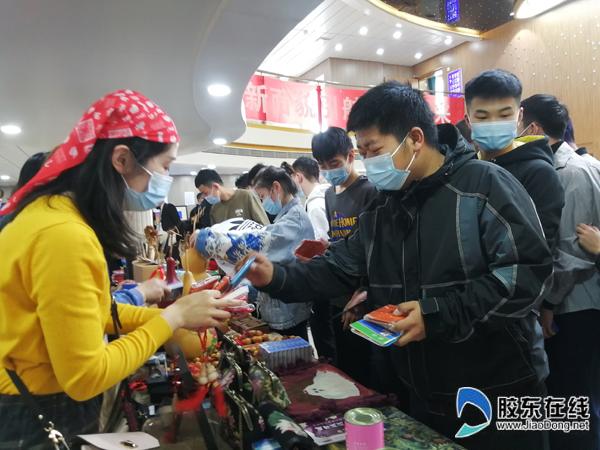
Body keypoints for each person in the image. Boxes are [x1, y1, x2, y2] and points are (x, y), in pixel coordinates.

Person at [244, 82, 553, 450]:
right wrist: (275, 276)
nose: (369, 162)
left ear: (415, 138)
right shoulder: (383, 208)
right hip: (421, 390)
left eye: (374, 150)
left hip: (498, 389)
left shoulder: (484, 185)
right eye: (362, 152)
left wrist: (436, 314)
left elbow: (526, 275)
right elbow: (338, 267)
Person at [0, 90, 242, 448]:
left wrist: (180, 316)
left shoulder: (52, 217)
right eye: (165, 166)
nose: (164, 180)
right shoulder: (63, 235)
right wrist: (172, 318)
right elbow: (85, 376)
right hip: (34, 412)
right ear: (122, 159)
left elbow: (97, 313)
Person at [521, 93, 600, 450]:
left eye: (516, 121)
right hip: (570, 300)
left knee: (572, 399)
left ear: (534, 129)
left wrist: (548, 305)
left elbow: (571, 253)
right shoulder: (566, 166)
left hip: (575, 304)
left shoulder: (569, 172)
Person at [195, 166, 314, 338]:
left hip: (288, 309)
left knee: (291, 351)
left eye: (262, 196)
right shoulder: (286, 215)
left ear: (276, 188)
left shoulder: (294, 220)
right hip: (280, 304)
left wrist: (208, 240)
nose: (262, 201)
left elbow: (257, 244)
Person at [310, 127, 377, 385]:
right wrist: (324, 248)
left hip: (362, 298)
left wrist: (362, 294)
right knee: (344, 367)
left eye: (334, 163)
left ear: (351, 156)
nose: (329, 170)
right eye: (322, 165)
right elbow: (338, 242)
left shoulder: (369, 191)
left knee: (365, 371)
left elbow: (373, 251)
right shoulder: (329, 194)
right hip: (337, 295)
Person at [195, 168, 269, 226]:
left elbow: (265, 226)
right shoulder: (214, 209)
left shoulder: (246, 196)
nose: (205, 197)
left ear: (215, 186)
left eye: (206, 193)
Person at [291, 156, 329, 242]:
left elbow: (321, 243)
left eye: (292, 177)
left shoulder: (315, 206)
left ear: (298, 177)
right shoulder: (326, 195)